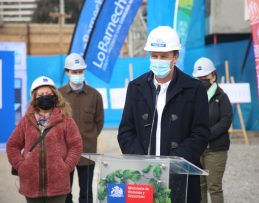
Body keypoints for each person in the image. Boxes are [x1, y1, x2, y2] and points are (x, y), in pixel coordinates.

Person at [117, 26, 210, 203]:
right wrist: (141, 162)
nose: (158, 60)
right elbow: (126, 132)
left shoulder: (194, 89)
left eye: (164, 56)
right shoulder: (136, 88)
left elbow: (201, 133)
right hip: (143, 176)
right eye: (154, 55)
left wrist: (175, 161)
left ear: (175, 57)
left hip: (180, 176)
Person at [6, 76, 83, 203]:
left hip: (58, 186)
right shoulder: (26, 121)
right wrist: (21, 166)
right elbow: (12, 145)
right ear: (35, 98)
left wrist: (66, 166)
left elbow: (76, 144)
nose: (45, 96)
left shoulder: (66, 119)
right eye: (41, 94)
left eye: (48, 93)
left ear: (55, 95)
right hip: (31, 185)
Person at [59, 53, 104, 203]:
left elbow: (99, 122)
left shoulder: (95, 95)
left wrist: (89, 138)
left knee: (86, 194)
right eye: (74, 72)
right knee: (65, 192)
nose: (78, 75)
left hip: (88, 153)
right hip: (64, 155)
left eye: (80, 71)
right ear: (67, 72)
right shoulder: (58, 96)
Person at [192, 57, 233, 203]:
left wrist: (205, 134)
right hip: (198, 149)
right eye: (198, 78)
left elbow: (226, 121)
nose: (201, 80)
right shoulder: (193, 97)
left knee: (214, 187)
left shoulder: (222, 97)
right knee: (199, 186)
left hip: (216, 150)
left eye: (205, 77)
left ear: (213, 76)